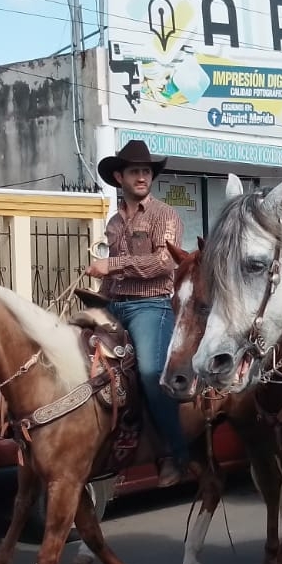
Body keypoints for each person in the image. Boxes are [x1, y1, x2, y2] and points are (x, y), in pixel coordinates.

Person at [88, 139, 192, 487]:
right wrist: (96, 297)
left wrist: (112, 264)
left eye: (146, 171)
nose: (142, 177)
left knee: (149, 374)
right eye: (135, 171)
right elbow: (111, 274)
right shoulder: (115, 222)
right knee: (80, 363)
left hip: (152, 305)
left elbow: (164, 264)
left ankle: (177, 455)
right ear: (120, 177)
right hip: (114, 304)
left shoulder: (165, 215)